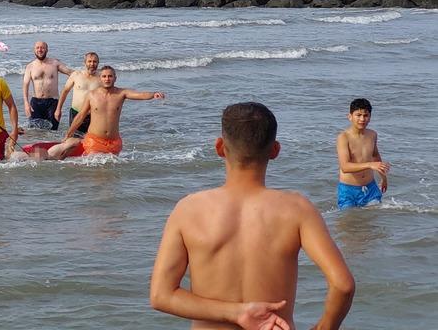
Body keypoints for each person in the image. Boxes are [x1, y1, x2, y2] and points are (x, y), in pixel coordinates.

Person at [150, 102, 354, 330]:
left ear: (219, 147)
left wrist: (237, 313)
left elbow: (161, 295)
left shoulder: (188, 210)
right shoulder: (297, 209)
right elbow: (342, 285)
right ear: (275, 150)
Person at [61, 66, 164, 156]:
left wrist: (153, 94)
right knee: (95, 172)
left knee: (112, 173)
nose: (107, 79)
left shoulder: (121, 93)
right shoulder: (92, 95)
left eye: (110, 76)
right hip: (94, 141)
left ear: (115, 78)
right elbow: (80, 116)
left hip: (114, 142)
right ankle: (73, 145)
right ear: (100, 79)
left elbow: (139, 95)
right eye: (104, 76)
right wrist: (68, 134)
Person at [336, 98, 390, 209]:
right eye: (358, 115)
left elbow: (376, 158)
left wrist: (384, 179)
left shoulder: (372, 135)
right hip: (349, 190)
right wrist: (369, 165)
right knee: (348, 222)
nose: (362, 119)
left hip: (370, 188)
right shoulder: (343, 137)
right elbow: (345, 167)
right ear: (350, 116)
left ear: (370, 117)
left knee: (372, 222)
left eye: (366, 115)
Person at [22, 41, 72, 130]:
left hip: (52, 102)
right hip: (36, 103)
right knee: (36, 131)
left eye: (42, 48)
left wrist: (85, 75)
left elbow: (70, 72)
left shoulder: (55, 63)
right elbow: (25, 85)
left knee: (53, 131)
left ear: (47, 50)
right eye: (37, 48)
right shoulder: (30, 66)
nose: (40, 50)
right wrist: (26, 103)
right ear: (34, 50)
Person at [55, 51, 100, 136]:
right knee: (73, 138)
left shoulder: (101, 78)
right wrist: (58, 109)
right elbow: (65, 91)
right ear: (85, 63)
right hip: (76, 113)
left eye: (94, 61)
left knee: (92, 139)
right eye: (89, 61)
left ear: (98, 63)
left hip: (93, 115)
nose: (92, 64)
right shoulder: (76, 75)